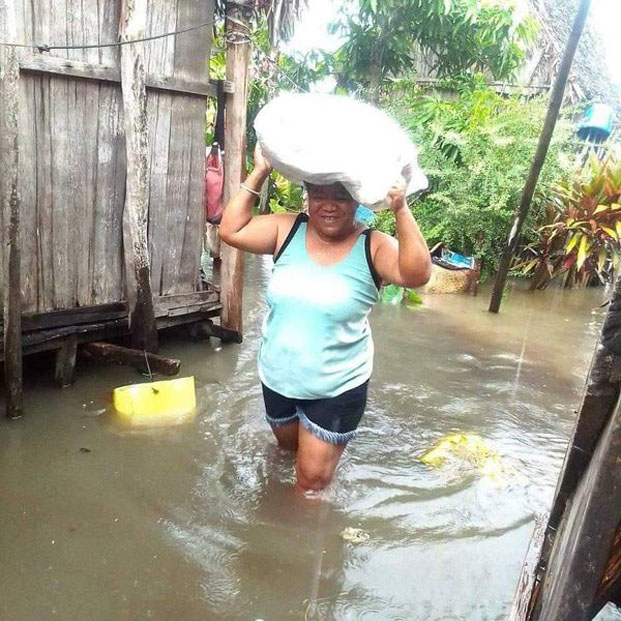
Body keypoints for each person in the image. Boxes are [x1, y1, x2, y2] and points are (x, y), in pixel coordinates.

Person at [220, 145, 431, 493]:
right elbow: (231, 230)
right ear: (307, 197)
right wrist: (259, 172)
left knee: (311, 483)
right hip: (278, 377)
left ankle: (300, 544)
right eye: (319, 194)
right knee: (287, 453)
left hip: (338, 384)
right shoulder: (286, 230)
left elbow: (417, 274)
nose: (329, 205)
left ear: (357, 201)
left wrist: (401, 209)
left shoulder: (373, 246)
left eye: (341, 196)